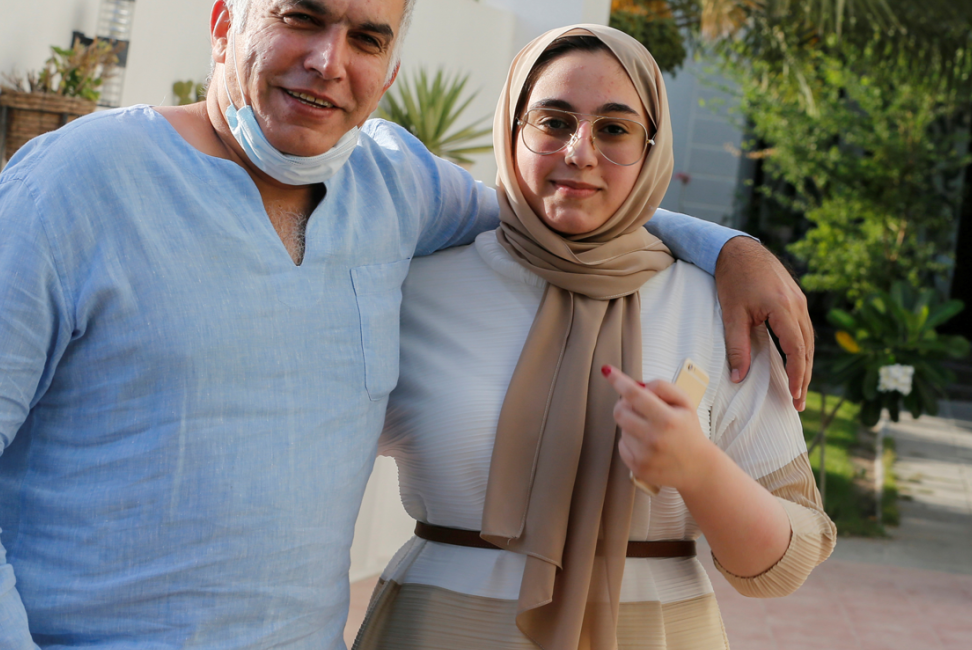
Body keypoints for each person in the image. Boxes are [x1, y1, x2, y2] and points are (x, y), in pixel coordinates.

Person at [0, 2, 815, 649]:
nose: (332, 60)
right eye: (301, 16)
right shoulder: (74, 183)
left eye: (367, 35)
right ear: (222, 22)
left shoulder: (391, 189)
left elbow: (556, 212)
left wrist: (726, 246)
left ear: (390, 68)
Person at [353, 26, 835, 650]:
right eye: (552, 121)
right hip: (443, 630)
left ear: (651, 146)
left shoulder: (719, 307)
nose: (579, 152)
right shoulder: (417, 290)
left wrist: (697, 468)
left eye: (614, 129)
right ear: (512, 128)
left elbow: (785, 569)